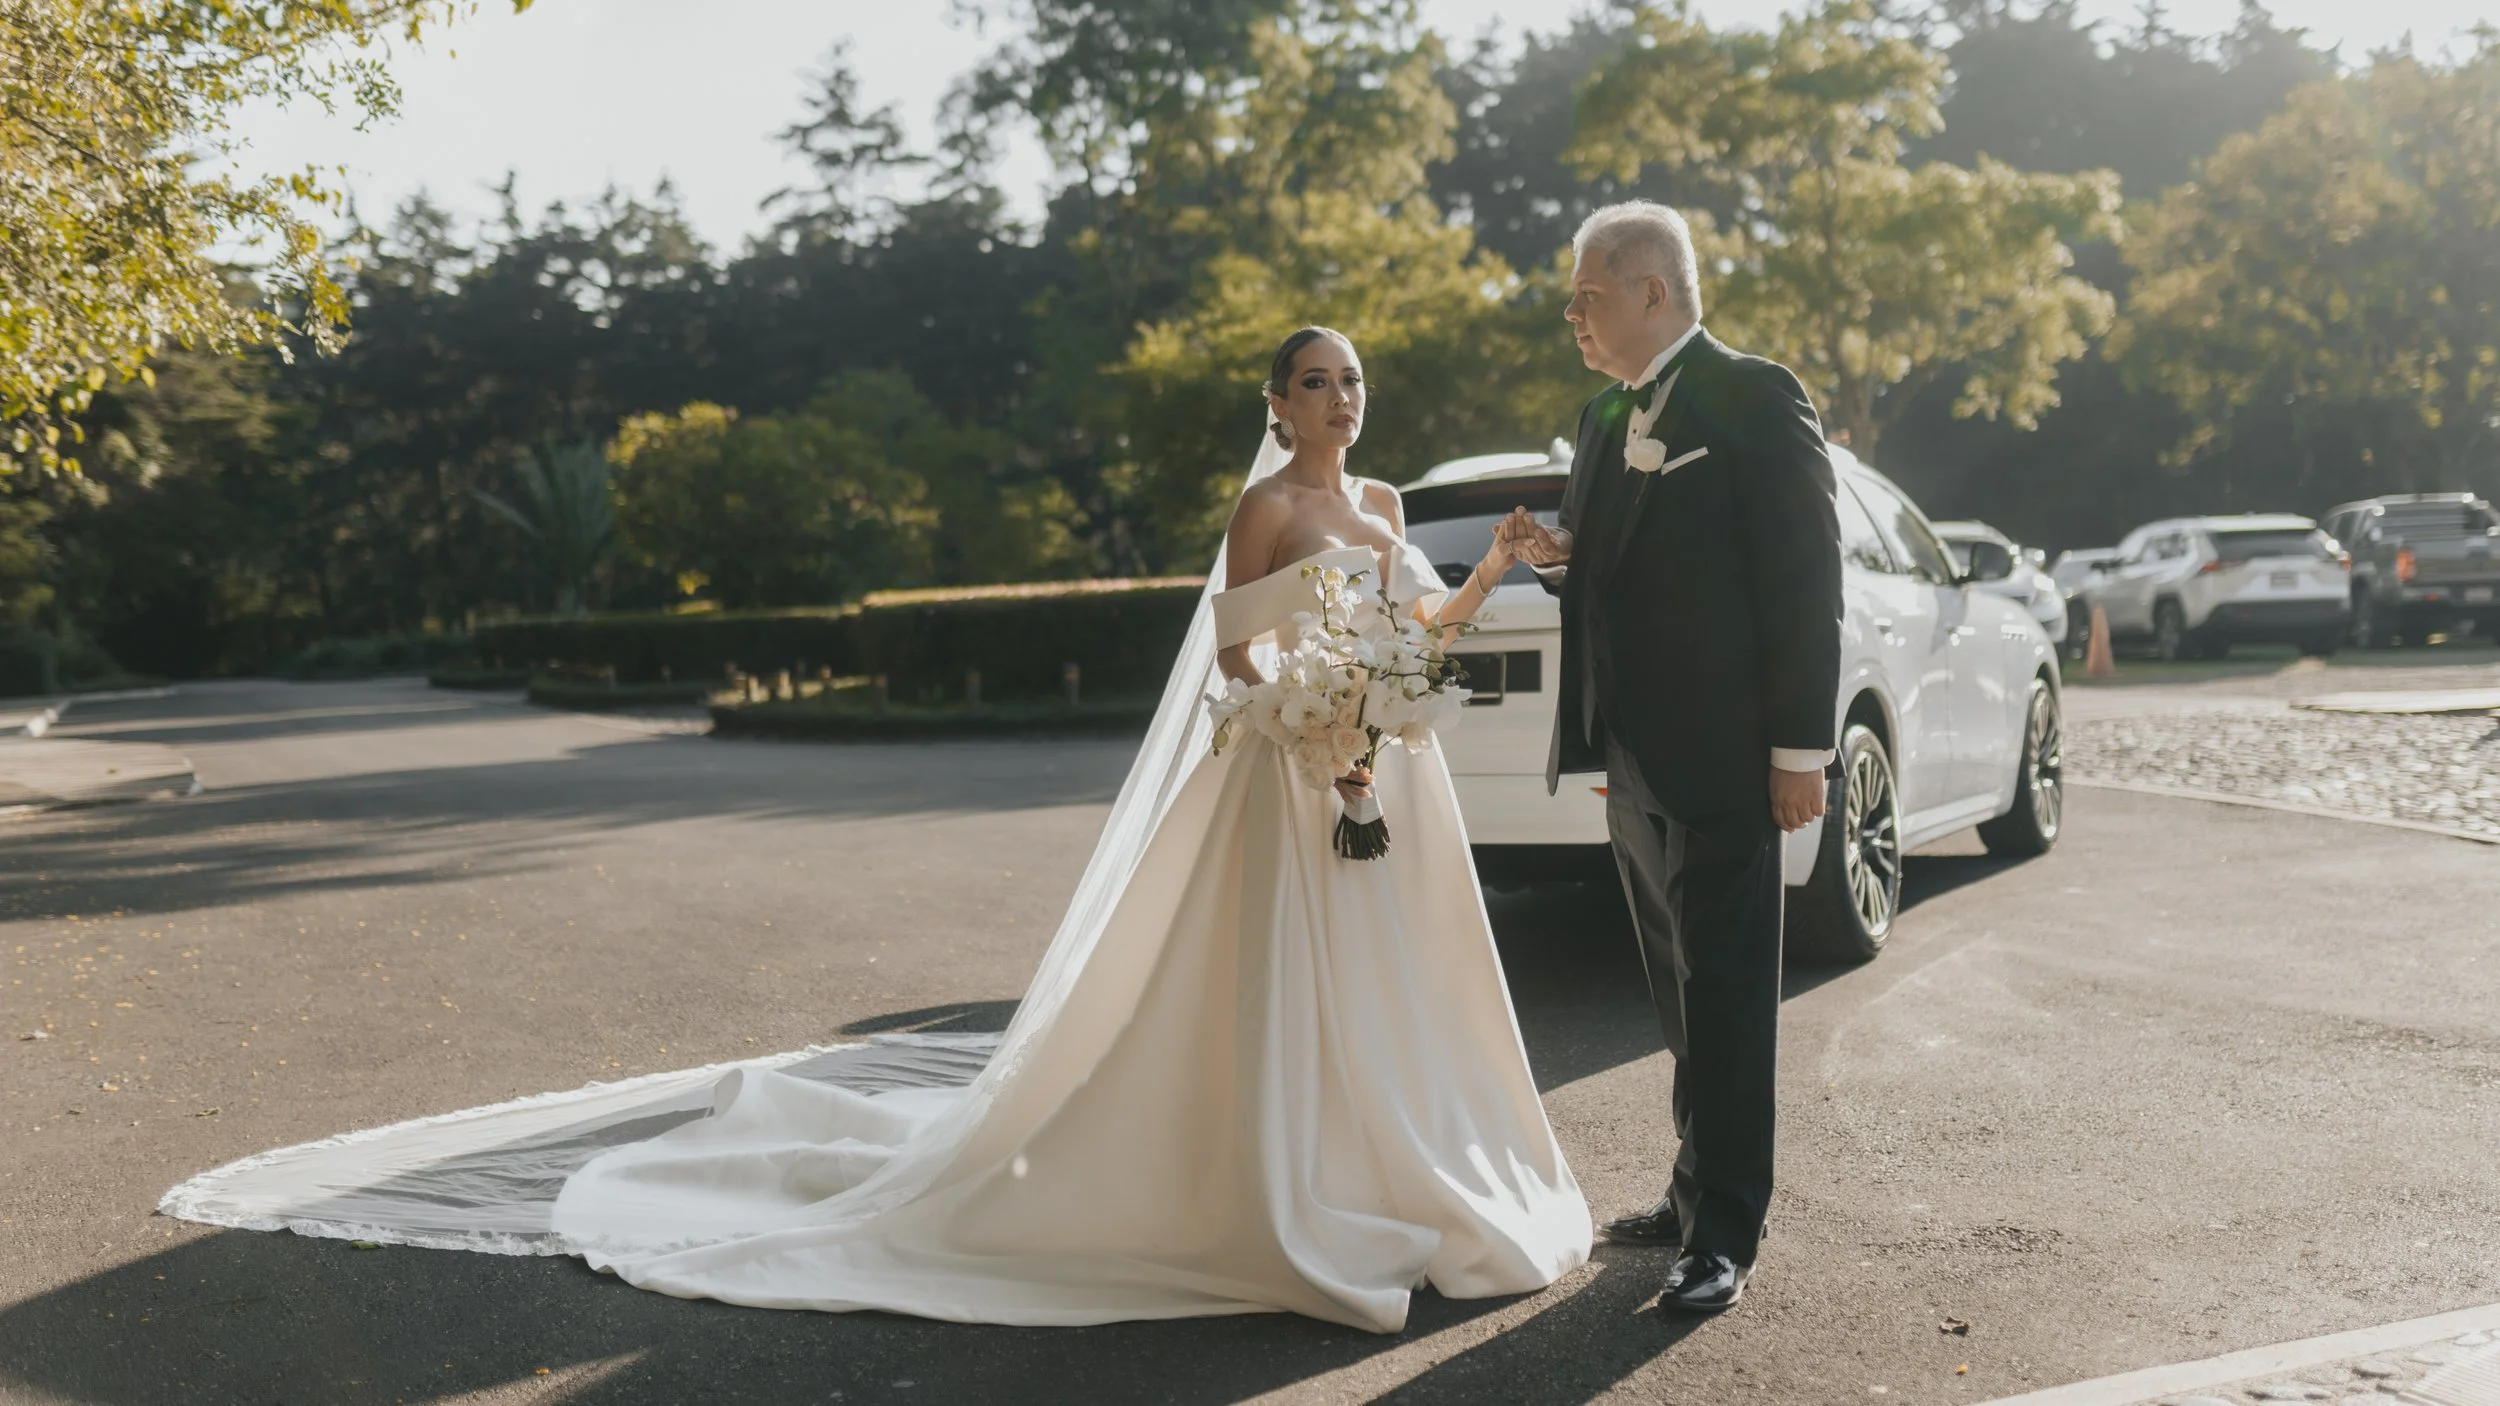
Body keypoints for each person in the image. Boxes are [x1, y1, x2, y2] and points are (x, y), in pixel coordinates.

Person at [160, 327, 1590, 1335]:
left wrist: (1467, 603)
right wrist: (1310, 715)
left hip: (1387, 778)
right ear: (1279, 403)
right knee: (1282, 1001)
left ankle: (1409, 1167)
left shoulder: (1393, 503)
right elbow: (1233, 660)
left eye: (1350, 379)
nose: (1338, 398)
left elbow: (1418, 627)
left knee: (1405, 996)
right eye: (1314, 381)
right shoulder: (1266, 506)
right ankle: (1287, 1193)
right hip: (1291, 780)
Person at [1500, 201, 1843, 1315]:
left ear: (1654, 289)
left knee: (1732, 991)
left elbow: (1803, 581)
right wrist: (1557, 559)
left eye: (1587, 296)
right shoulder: (1604, 415)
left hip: (1732, 757)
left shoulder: (1755, 394)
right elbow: (1607, 567)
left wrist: (1801, 750)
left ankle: (1725, 1235)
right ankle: (1691, 1191)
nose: (1572, 316)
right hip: (1634, 761)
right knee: (1678, 993)